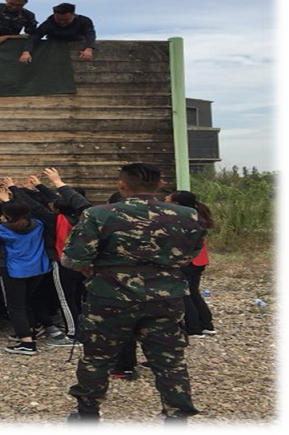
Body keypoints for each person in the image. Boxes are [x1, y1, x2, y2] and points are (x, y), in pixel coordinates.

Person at [62, 163, 206, 423]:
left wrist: (93, 268)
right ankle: (177, 418)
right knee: (170, 361)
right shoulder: (186, 214)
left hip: (110, 296)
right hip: (165, 296)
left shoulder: (99, 214)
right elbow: (191, 253)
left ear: (121, 185)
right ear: (160, 184)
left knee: (97, 359)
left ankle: (87, 416)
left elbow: (73, 258)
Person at [0, 196, 53, 355]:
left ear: (6, 215)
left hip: (14, 269)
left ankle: (27, 342)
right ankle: (30, 329)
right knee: (27, 301)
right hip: (37, 267)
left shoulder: (0, 229)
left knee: (15, 306)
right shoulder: (38, 224)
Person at [166, 190, 217, 338]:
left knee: (185, 294)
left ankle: (194, 328)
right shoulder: (195, 216)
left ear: (176, 204)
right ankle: (206, 324)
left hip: (189, 260)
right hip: (198, 259)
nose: (164, 202)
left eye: (167, 200)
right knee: (193, 292)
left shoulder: (185, 218)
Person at [19, 2, 96, 64]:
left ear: (73, 15)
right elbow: (35, 37)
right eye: (58, 19)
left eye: (66, 20)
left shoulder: (84, 21)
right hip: (54, 48)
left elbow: (90, 34)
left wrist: (89, 49)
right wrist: (26, 52)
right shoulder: (49, 22)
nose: (62, 22)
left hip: (77, 44)